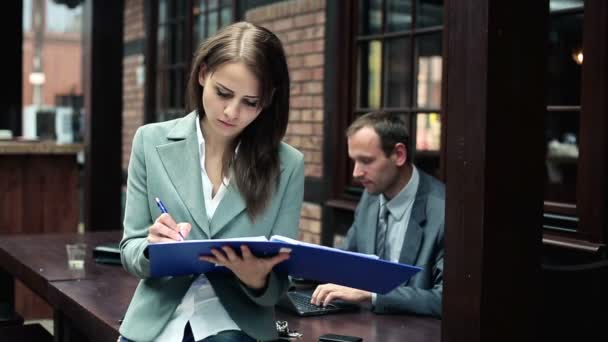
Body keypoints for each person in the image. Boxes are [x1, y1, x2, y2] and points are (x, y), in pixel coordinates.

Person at [119, 22, 305, 342]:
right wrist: (152, 249)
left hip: (237, 325)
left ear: (269, 99)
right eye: (223, 93)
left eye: (251, 102)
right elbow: (129, 250)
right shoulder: (150, 141)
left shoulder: (288, 164)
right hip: (156, 324)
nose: (232, 112)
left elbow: (278, 282)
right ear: (203, 74)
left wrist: (257, 279)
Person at [311, 111, 444, 318]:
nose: (355, 173)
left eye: (366, 161)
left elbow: (445, 299)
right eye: (354, 161)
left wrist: (372, 295)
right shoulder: (370, 197)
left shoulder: (444, 211)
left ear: (399, 155)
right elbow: (348, 261)